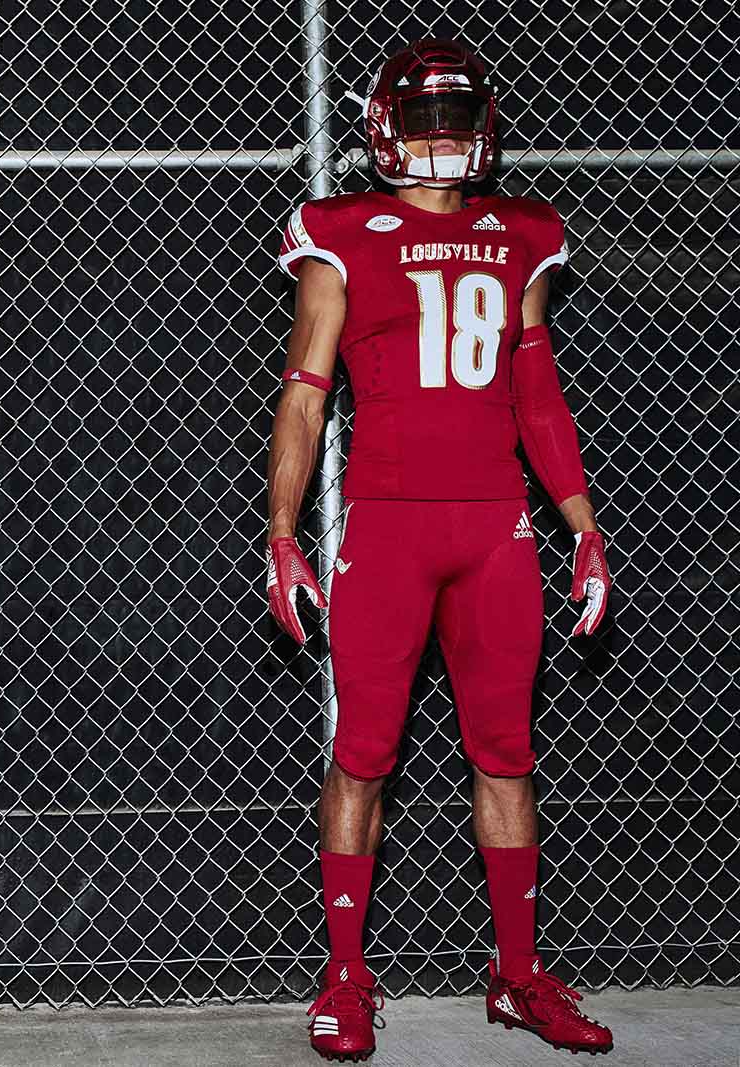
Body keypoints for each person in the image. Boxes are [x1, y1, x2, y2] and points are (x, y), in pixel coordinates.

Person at [265, 38, 616, 1061]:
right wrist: (282, 533)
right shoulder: (342, 232)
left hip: (494, 527)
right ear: (383, 128)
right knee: (363, 753)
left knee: (506, 754)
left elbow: (536, 390)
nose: (441, 142)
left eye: (456, 123)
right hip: (386, 525)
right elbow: (302, 392)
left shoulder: (522, 233)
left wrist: (584, 525)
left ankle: (515, 973)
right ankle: (342, 973)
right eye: (423, 122)